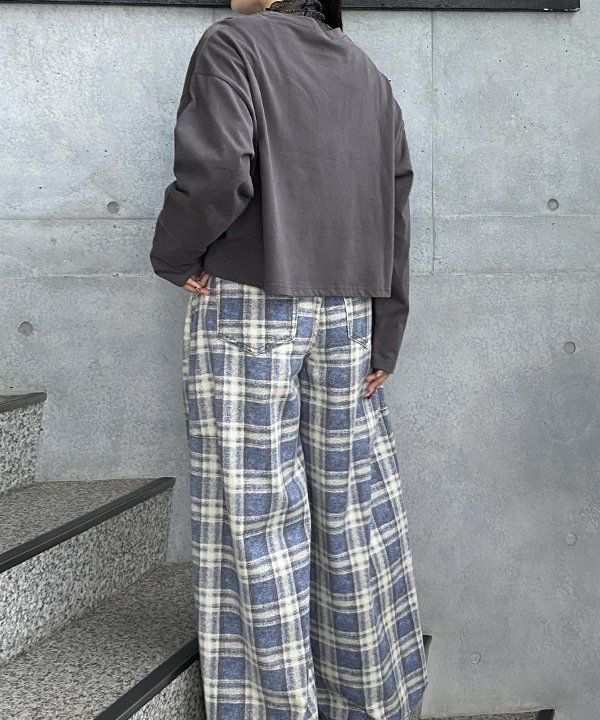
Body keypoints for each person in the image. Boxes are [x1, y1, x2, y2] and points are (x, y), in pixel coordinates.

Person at [150, 0, 428, 718]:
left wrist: (173, 254)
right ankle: (366, 703)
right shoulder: (366, 72)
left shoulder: (233, 45)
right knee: (348, 514)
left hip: (251, 304)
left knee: (256, 521)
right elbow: (394, 206)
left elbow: (218, 169)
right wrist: (387, 328)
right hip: (351, 312)